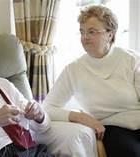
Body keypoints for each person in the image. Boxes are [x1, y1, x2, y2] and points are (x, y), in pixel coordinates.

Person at [42, 4, 140, 157]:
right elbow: (47, 108)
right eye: (82, 31)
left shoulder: (132, 60)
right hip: (113, 130)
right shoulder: (73, 69)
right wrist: (82, 117)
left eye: (91, 32)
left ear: (110, 34)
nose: (85, 37)